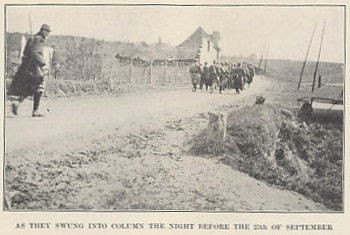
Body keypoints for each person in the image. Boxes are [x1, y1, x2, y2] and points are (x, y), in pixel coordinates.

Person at [8, 24, 51, 117]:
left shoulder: (33, 38)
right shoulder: (39, 39)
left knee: (33, 87)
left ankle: (19, 103)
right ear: (43, 30)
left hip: (27, 65)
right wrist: (43, 63)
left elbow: (25, 52)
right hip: (34, 66)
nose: (48, 33)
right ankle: (31, 109)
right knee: (39, 86)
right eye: (47, 31)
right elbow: (35, 53)